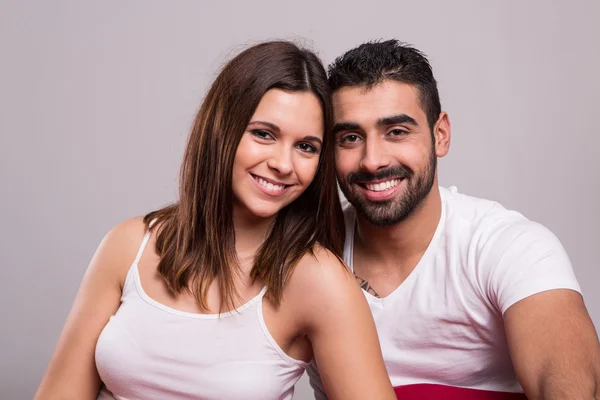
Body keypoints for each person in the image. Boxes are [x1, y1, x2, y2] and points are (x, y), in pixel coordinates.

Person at [34, 40, 396, 400]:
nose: (284, 164)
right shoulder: (129, 245)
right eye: (263, 134)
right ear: (221, 129)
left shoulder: (320, 281)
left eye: (306, 147)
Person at [309, 39, 600, 399]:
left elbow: (564, 381)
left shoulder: (508, 246)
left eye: (397, 132)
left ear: (440, 134)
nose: (372, 160)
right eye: (351, 138)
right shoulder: (305, 256)